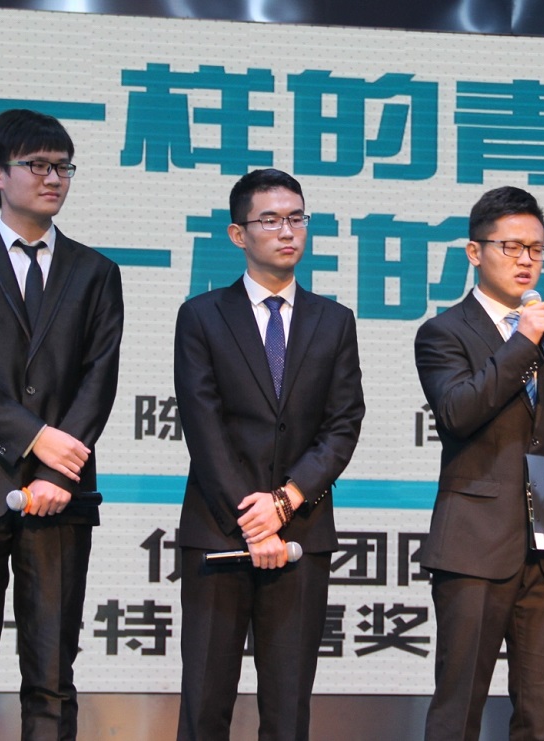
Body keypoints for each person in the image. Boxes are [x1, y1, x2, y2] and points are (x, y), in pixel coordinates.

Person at [0, 108, 124, 741]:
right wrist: (34, 437)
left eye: (63, 167)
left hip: (62, 494)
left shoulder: (96, 272)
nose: (53, 178)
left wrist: (60, 470)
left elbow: (99, 377)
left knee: (52, 677)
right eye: (37, 165)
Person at [173, 168, 365, 740]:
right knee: (205, 705)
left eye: (297, 218)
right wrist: (253, 518)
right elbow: (203, 425)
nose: (287, 231)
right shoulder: (202, 315)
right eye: (271, 220)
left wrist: (285, 501)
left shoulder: (334, 321)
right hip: (218, 529)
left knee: (287, 710)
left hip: (301, 531)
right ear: (238, 234)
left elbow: (343, 423)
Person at [414, 186, 544, 741]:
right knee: (458, 709)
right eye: (511, 247)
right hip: (474, 545)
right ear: (474, 252)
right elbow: (459, 412)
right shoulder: (443, 333)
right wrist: (522, 340)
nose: (527, 260)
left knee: (543, 714)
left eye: (537, 249)